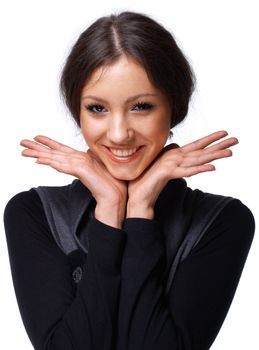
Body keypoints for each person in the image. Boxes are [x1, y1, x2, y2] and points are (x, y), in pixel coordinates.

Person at [4, 11, 255, 350]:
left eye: (140, 106)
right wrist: (109, 207)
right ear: (77, 111)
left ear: (174, 107)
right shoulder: (34, 212)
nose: (120, 134)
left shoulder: (222, 221)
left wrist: (140, 208)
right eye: (97, 109)